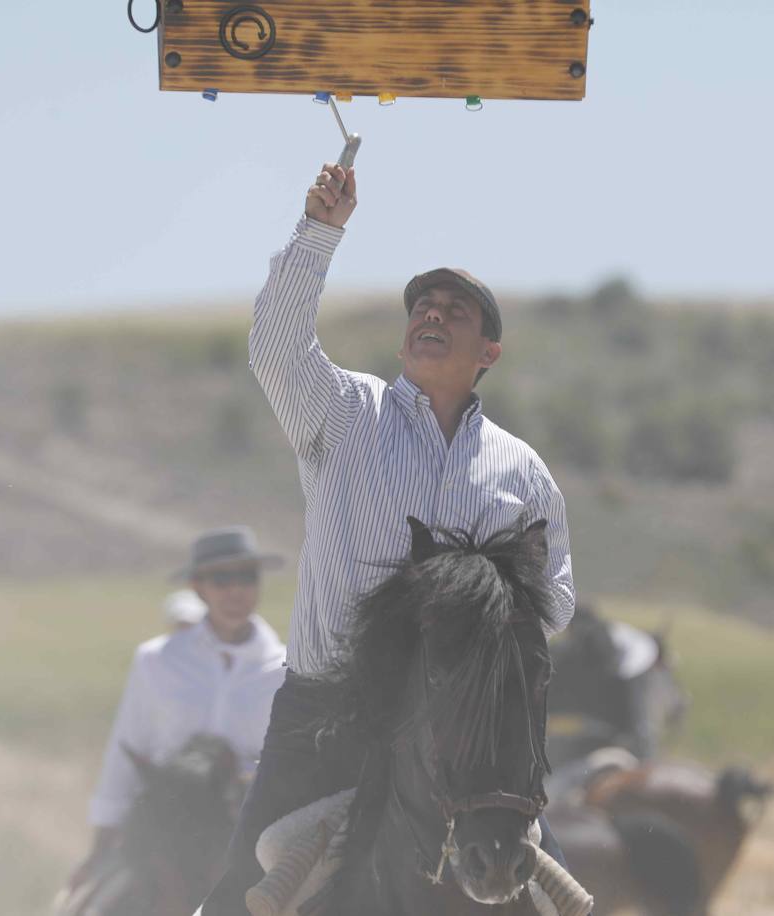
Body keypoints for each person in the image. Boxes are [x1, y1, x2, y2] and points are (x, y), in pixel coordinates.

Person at [199, 162, 576, 914]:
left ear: (489, 352)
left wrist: (474, 587)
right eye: (422, 306)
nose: (430, 315)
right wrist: (320, 232)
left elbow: (555, 606)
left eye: (454, 311)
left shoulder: (522, 474)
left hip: (463, 735)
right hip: (325, 716)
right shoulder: (344, 413)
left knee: (550, 903)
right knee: (226, 906)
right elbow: (274, 350)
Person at [66, 526, 287, 893]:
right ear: (199, 587)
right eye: (222, 578)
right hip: (163, 831)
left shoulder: (285, 668)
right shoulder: (158, 660)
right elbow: (127, 746)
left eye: (246, 577)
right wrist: (99, 847)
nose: (236, 589)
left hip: (247, 834)